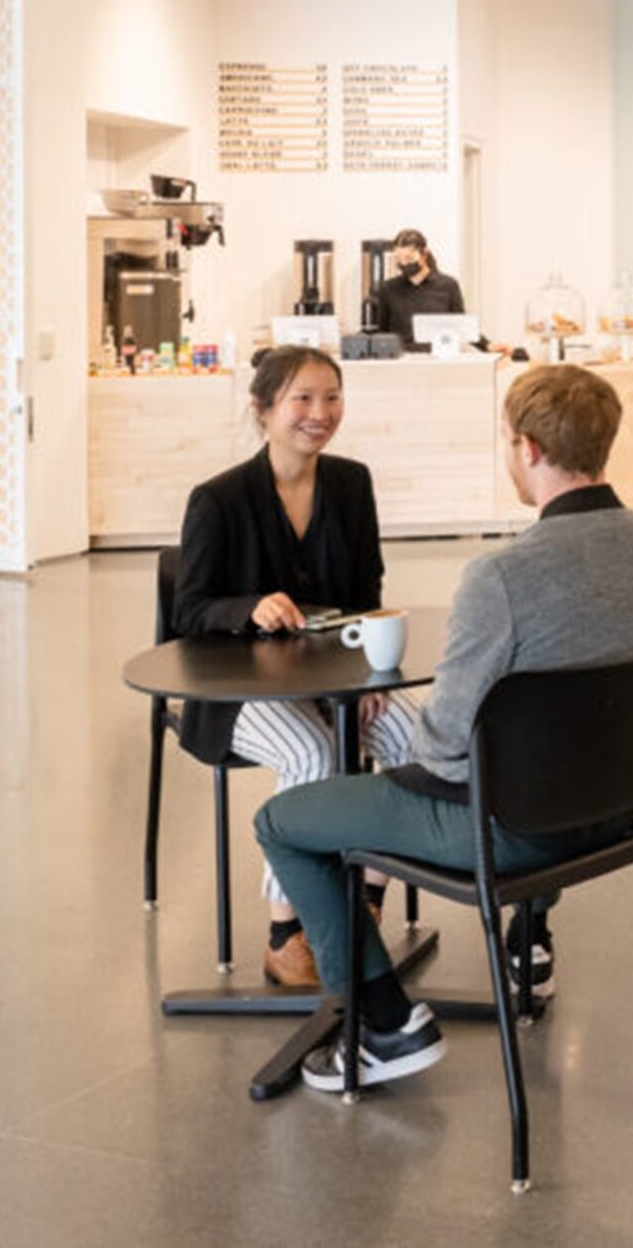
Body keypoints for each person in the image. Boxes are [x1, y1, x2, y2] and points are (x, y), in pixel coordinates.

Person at [253, 364, 633, 1091]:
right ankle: (528, 937)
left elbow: (445, 746)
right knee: (542, 761)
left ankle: (386, 1026)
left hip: (513, 831)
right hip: (617, 809)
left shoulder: (502, 578)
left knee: (284, 820)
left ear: (528, 448)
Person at [172, 346, 416, 988]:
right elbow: (188, 611)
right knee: (312, 754)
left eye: (332, 397)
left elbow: (366, 591)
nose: (320, 413)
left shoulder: (352, 484)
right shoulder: (218, 499)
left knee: (417, 739)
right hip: (236, 688)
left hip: (335, 678)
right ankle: (288, 933)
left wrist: (367, 675)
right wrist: (247, 607)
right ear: (263, 409)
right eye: (302, 399)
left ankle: (364, 903)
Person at [375, 228, 467, 346]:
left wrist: (486, 345)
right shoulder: (388, 289)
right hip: (401, 355)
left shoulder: (448, 286)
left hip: (438, 353)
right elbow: (381, 332)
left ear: (424, 255)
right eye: (398, 259)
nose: (404, 264)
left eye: (409, 258)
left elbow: (461, 325)